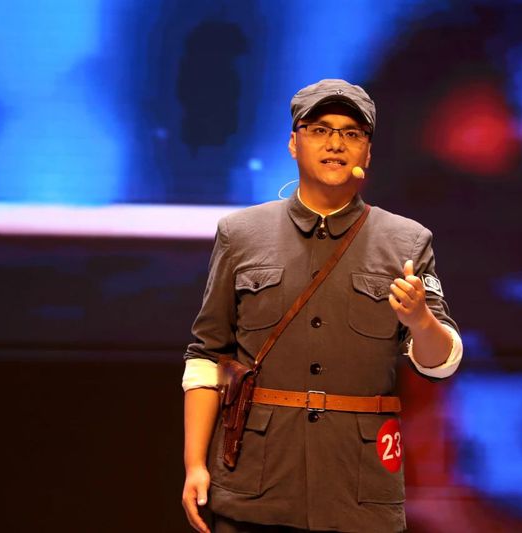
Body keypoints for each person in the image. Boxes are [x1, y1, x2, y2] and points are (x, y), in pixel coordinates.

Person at [181, 79, 463, 532]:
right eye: (319, 130)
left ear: (368, 151)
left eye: (352, 133)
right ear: (294, 143)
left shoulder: (408, 241)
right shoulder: (240, 234)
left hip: (358, 488)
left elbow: (440, 363)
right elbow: (207, 356)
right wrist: (195, 464)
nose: (335, 144)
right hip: (255, 482)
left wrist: (419, 319)